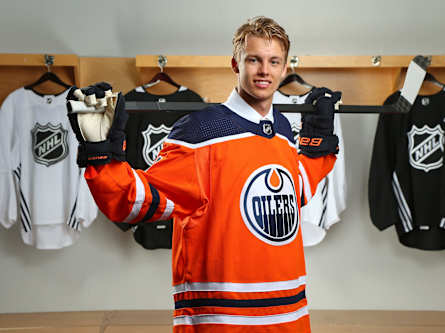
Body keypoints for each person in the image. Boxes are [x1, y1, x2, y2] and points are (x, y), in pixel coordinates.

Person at [67, 16, 341, 333]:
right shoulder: (202, 131)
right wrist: (101, 154)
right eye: (254, 60)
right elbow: (135, 202)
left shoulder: (280, 130)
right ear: (236, 65)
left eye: (273, 61)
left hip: (290, 318)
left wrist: (318, 148)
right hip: (221, 321)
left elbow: (292, 193)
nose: (265, 71)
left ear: (283, 67)